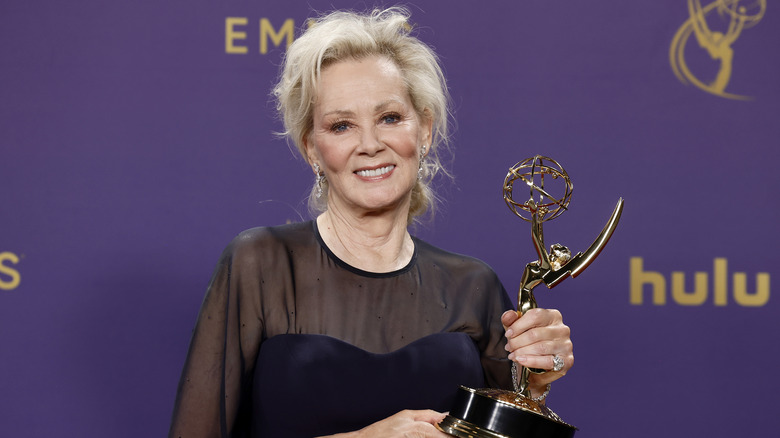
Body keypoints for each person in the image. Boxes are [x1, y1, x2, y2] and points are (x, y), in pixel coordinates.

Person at [168, 7, 573, 438]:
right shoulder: (261, 265)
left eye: (390, 118)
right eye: (341, 126)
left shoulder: (473, 286)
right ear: (312, 150)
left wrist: (536, 382)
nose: (370, 144)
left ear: (425, 131)